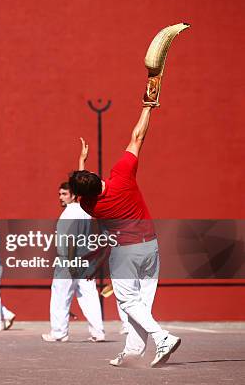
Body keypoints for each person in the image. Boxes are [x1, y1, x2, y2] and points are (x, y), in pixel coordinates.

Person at [69, 106, 180, 367]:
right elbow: (137, 136)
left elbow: (81, 194)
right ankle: (133, 352)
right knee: (140, 304)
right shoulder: (122, 174)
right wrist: (147, 107)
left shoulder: (91, 205)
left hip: (125, 253)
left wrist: (80, 162)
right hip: (150, 247)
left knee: (129, 302)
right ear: (96, 176)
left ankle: (162, 337)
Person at [42, 183, 105, 342]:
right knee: (89, 297)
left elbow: (71, 239)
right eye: (59, 194)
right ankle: (98, 332)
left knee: (60, 296)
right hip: (85, 260)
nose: (60, 197)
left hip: (68, 261)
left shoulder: (69, 213)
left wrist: (70, 262)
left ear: (74, 195)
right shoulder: (85, 212)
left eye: (64, 194)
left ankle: (59, 333)